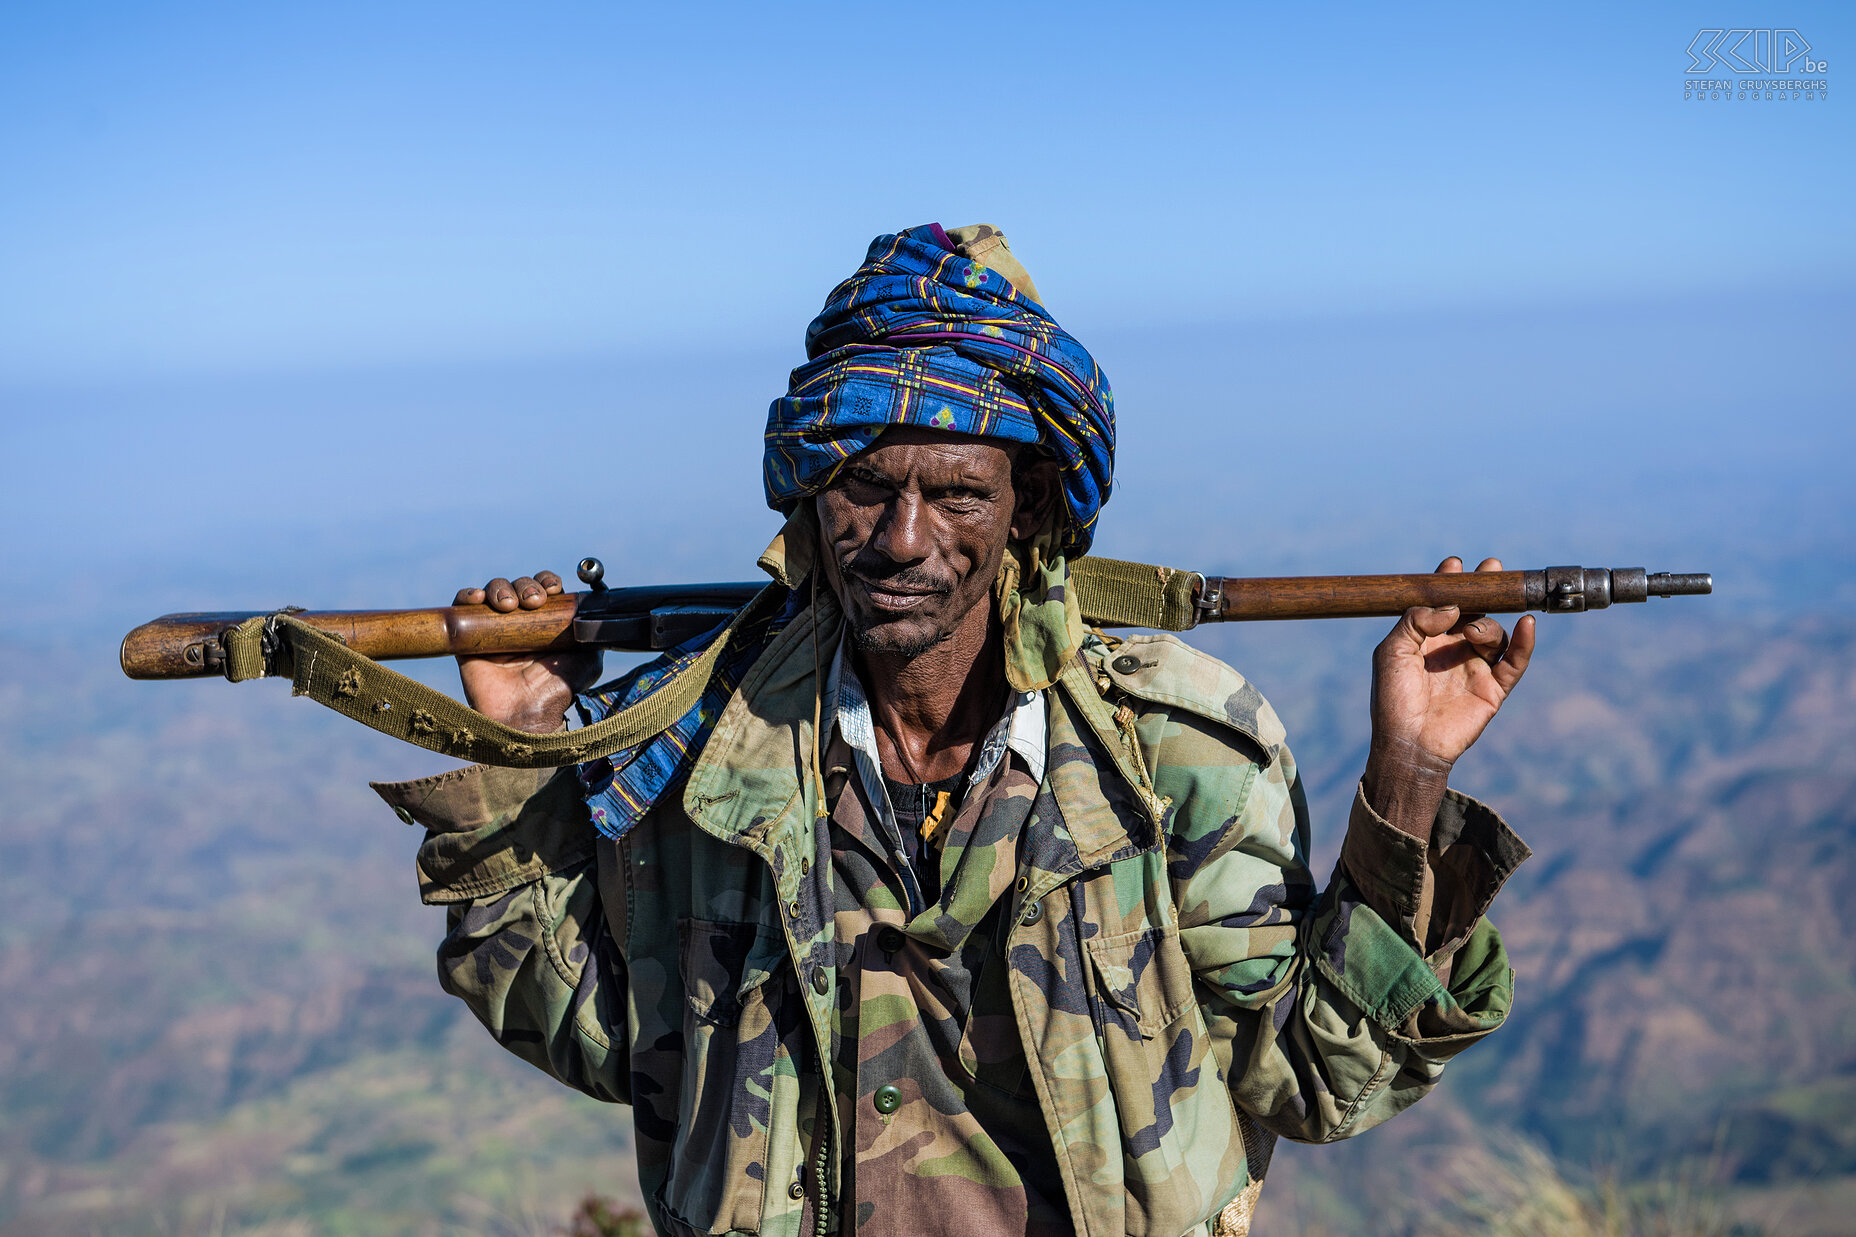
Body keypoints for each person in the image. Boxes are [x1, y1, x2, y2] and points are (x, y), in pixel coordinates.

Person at [372, 224, 1534, 1237]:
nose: (902, 538)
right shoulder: (707, 756)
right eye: (864, 485)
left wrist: (1410, 768)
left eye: (958, 492)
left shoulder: (1171, 752)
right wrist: (517, 748)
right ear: (810, 497)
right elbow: (603, 1037)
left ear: (1026, 505)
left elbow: (1312, 1077)